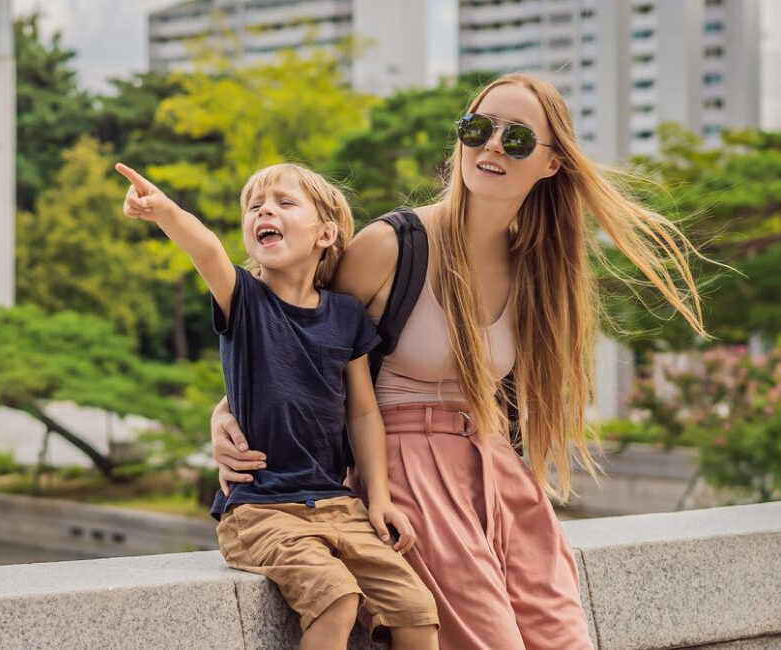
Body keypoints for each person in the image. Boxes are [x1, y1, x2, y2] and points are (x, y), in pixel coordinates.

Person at [210, 73, 707, 650]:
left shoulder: (539, 268)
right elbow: (290, 340)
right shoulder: (391, 246)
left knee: (564, 638)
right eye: (478, 128)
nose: (492, 145)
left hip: (499, 473)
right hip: (406, 476)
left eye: (517, 139)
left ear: (551, 164)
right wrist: (225, 414)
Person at [115, 161, 439, 650]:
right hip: (261, 510)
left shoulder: (345, 315)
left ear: (326, 233)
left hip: (338, 504)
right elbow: (204, 247)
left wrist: (379, 498)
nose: (264, 210)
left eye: (285, 203)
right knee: (336, 599)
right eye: (254, 206)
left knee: (416, 610)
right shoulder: (243, 299)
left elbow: (363, 412)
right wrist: (163, 211)